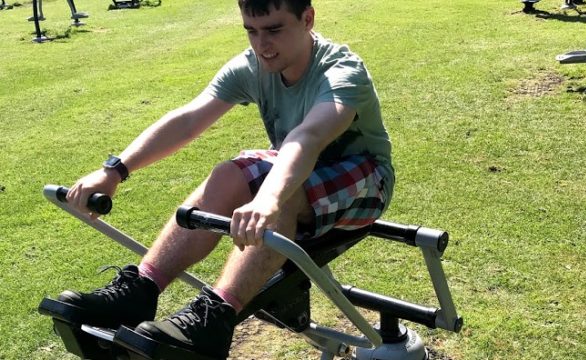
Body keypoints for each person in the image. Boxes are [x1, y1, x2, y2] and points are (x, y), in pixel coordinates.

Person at [59, 0, 394, 358]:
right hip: (296, 169)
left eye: (274, 29)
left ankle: (214, 320)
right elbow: (190, 118)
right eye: (251, 30)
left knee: (285, 192)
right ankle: (140, 291)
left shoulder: (342, 72)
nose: (261, 44)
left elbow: (307, 138)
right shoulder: (255, 66)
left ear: (308, 19)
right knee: (226, 175)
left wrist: (268, 199)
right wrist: (115, 171)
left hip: (366, 178)